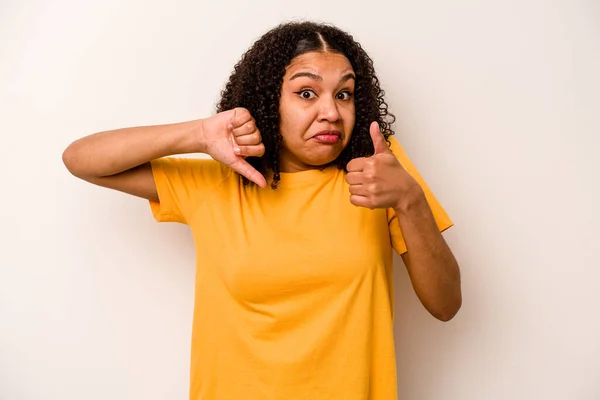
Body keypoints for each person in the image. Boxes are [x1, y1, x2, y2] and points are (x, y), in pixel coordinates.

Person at [62, 20, 461, 400]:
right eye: (307, 93)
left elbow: (446, 305)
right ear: (268, 100)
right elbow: (81, 159)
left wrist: (410, 200)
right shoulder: (219, 182)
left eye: (344, 94)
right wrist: (198, 134)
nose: (332, 113)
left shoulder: (378, 175)